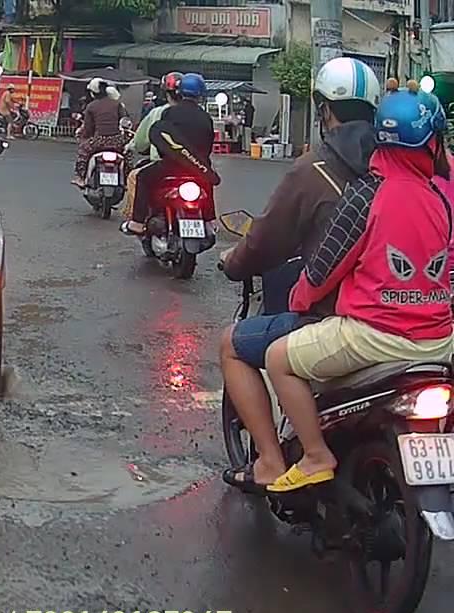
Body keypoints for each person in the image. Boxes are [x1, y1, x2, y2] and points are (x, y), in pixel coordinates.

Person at [237, 89, 454, 492]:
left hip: (374, 337)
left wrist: (299, 303)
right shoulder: (439, 196)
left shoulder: (368, 193)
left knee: (277, 358)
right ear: (431, 143)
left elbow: (323, 269)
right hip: (438, 342)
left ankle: (315, 456)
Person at [216, 59, 382, 489]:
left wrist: (234, 262)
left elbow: (265, 241)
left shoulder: (314, 170)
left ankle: (271, 461)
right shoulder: (405, 172)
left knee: (234, 344)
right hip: (415, 320)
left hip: (344, 320)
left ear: (324, 110)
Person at [119, 72, 216, 235]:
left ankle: (137, 223)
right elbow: (208, 145)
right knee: (208, 180)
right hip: (198, 167)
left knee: (142, 178)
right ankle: (209, 220)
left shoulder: (169, 113)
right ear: (201, 94)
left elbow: (162, 141)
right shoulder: (206, 117)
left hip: (171, 166)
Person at [72, 78, 129, 187]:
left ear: (93, 92)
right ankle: (127, 178)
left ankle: (80, 177)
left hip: (99, 142)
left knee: (83, 152)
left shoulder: (91, 106)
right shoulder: (117, 104)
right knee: (128, 153)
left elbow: (88, 129)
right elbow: (125, 121)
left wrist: (84, 139)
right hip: (117, 141)